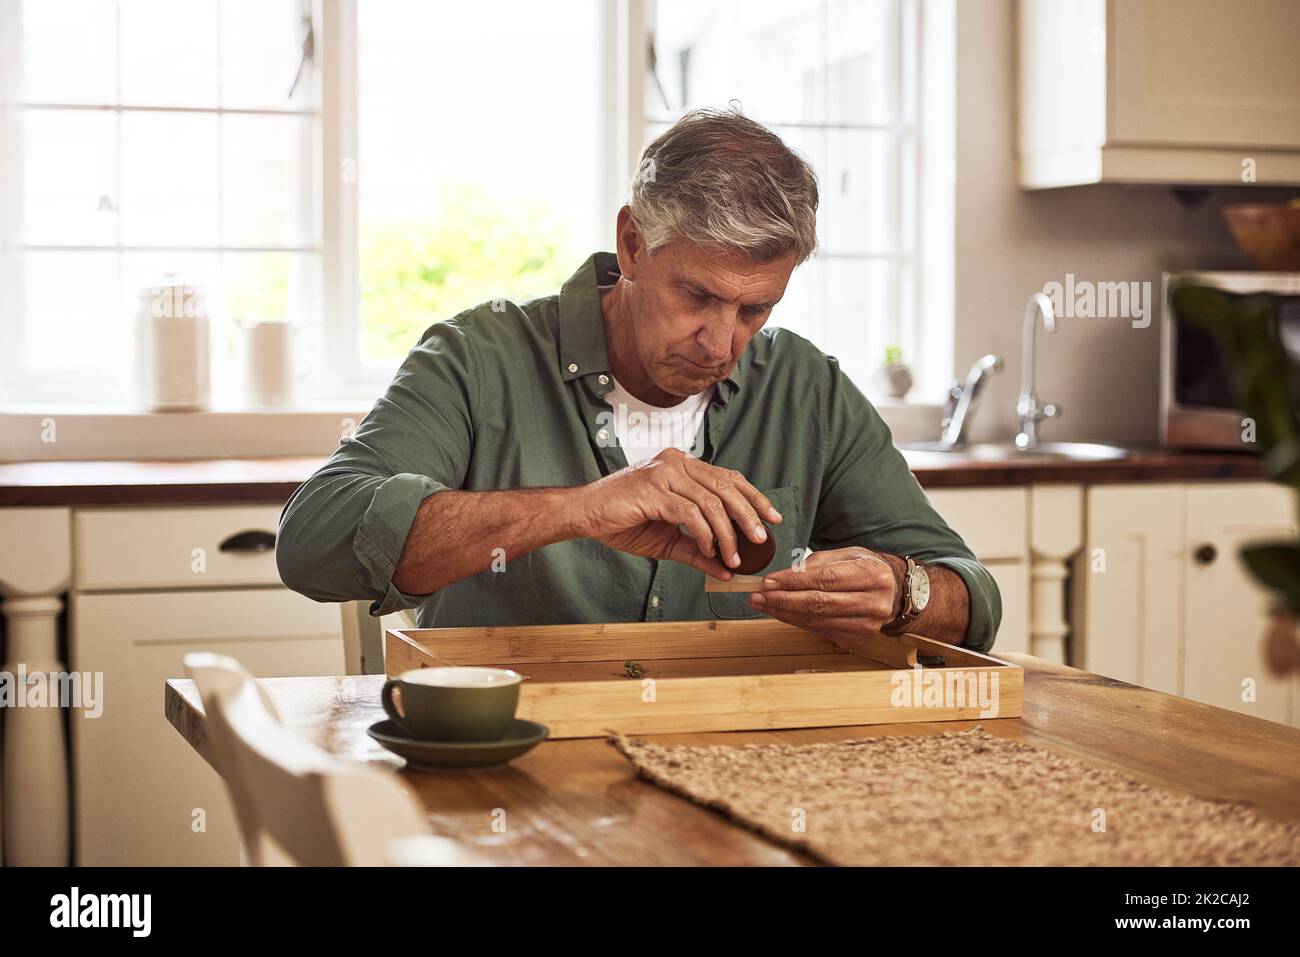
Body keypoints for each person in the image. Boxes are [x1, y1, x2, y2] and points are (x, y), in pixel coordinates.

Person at [277, 107, 1001, 654]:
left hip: (739, 777)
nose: (723, 342)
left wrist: (905, 591)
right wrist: (583, 508)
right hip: (513, 778)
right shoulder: (477, 357)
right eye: (697, 297)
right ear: (632, 243)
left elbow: (974, 597)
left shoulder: (807, 387)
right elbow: (313, 543)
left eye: (755, 308)